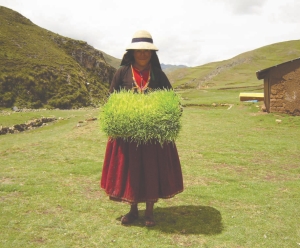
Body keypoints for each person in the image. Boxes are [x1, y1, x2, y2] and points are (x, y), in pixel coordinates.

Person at [100, 30, 183, 227]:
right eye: (139, 51)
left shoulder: (158, 75)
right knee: (132, 170)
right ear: (132, 52)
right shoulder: (122, 72)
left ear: (152, 54)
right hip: (128, 136)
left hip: (152, 136)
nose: (143, 54)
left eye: (147, 51)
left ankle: (150, 213)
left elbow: (170, 97)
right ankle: (133, 210)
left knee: (152, 170)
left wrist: (174, 110)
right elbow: (111, 98)